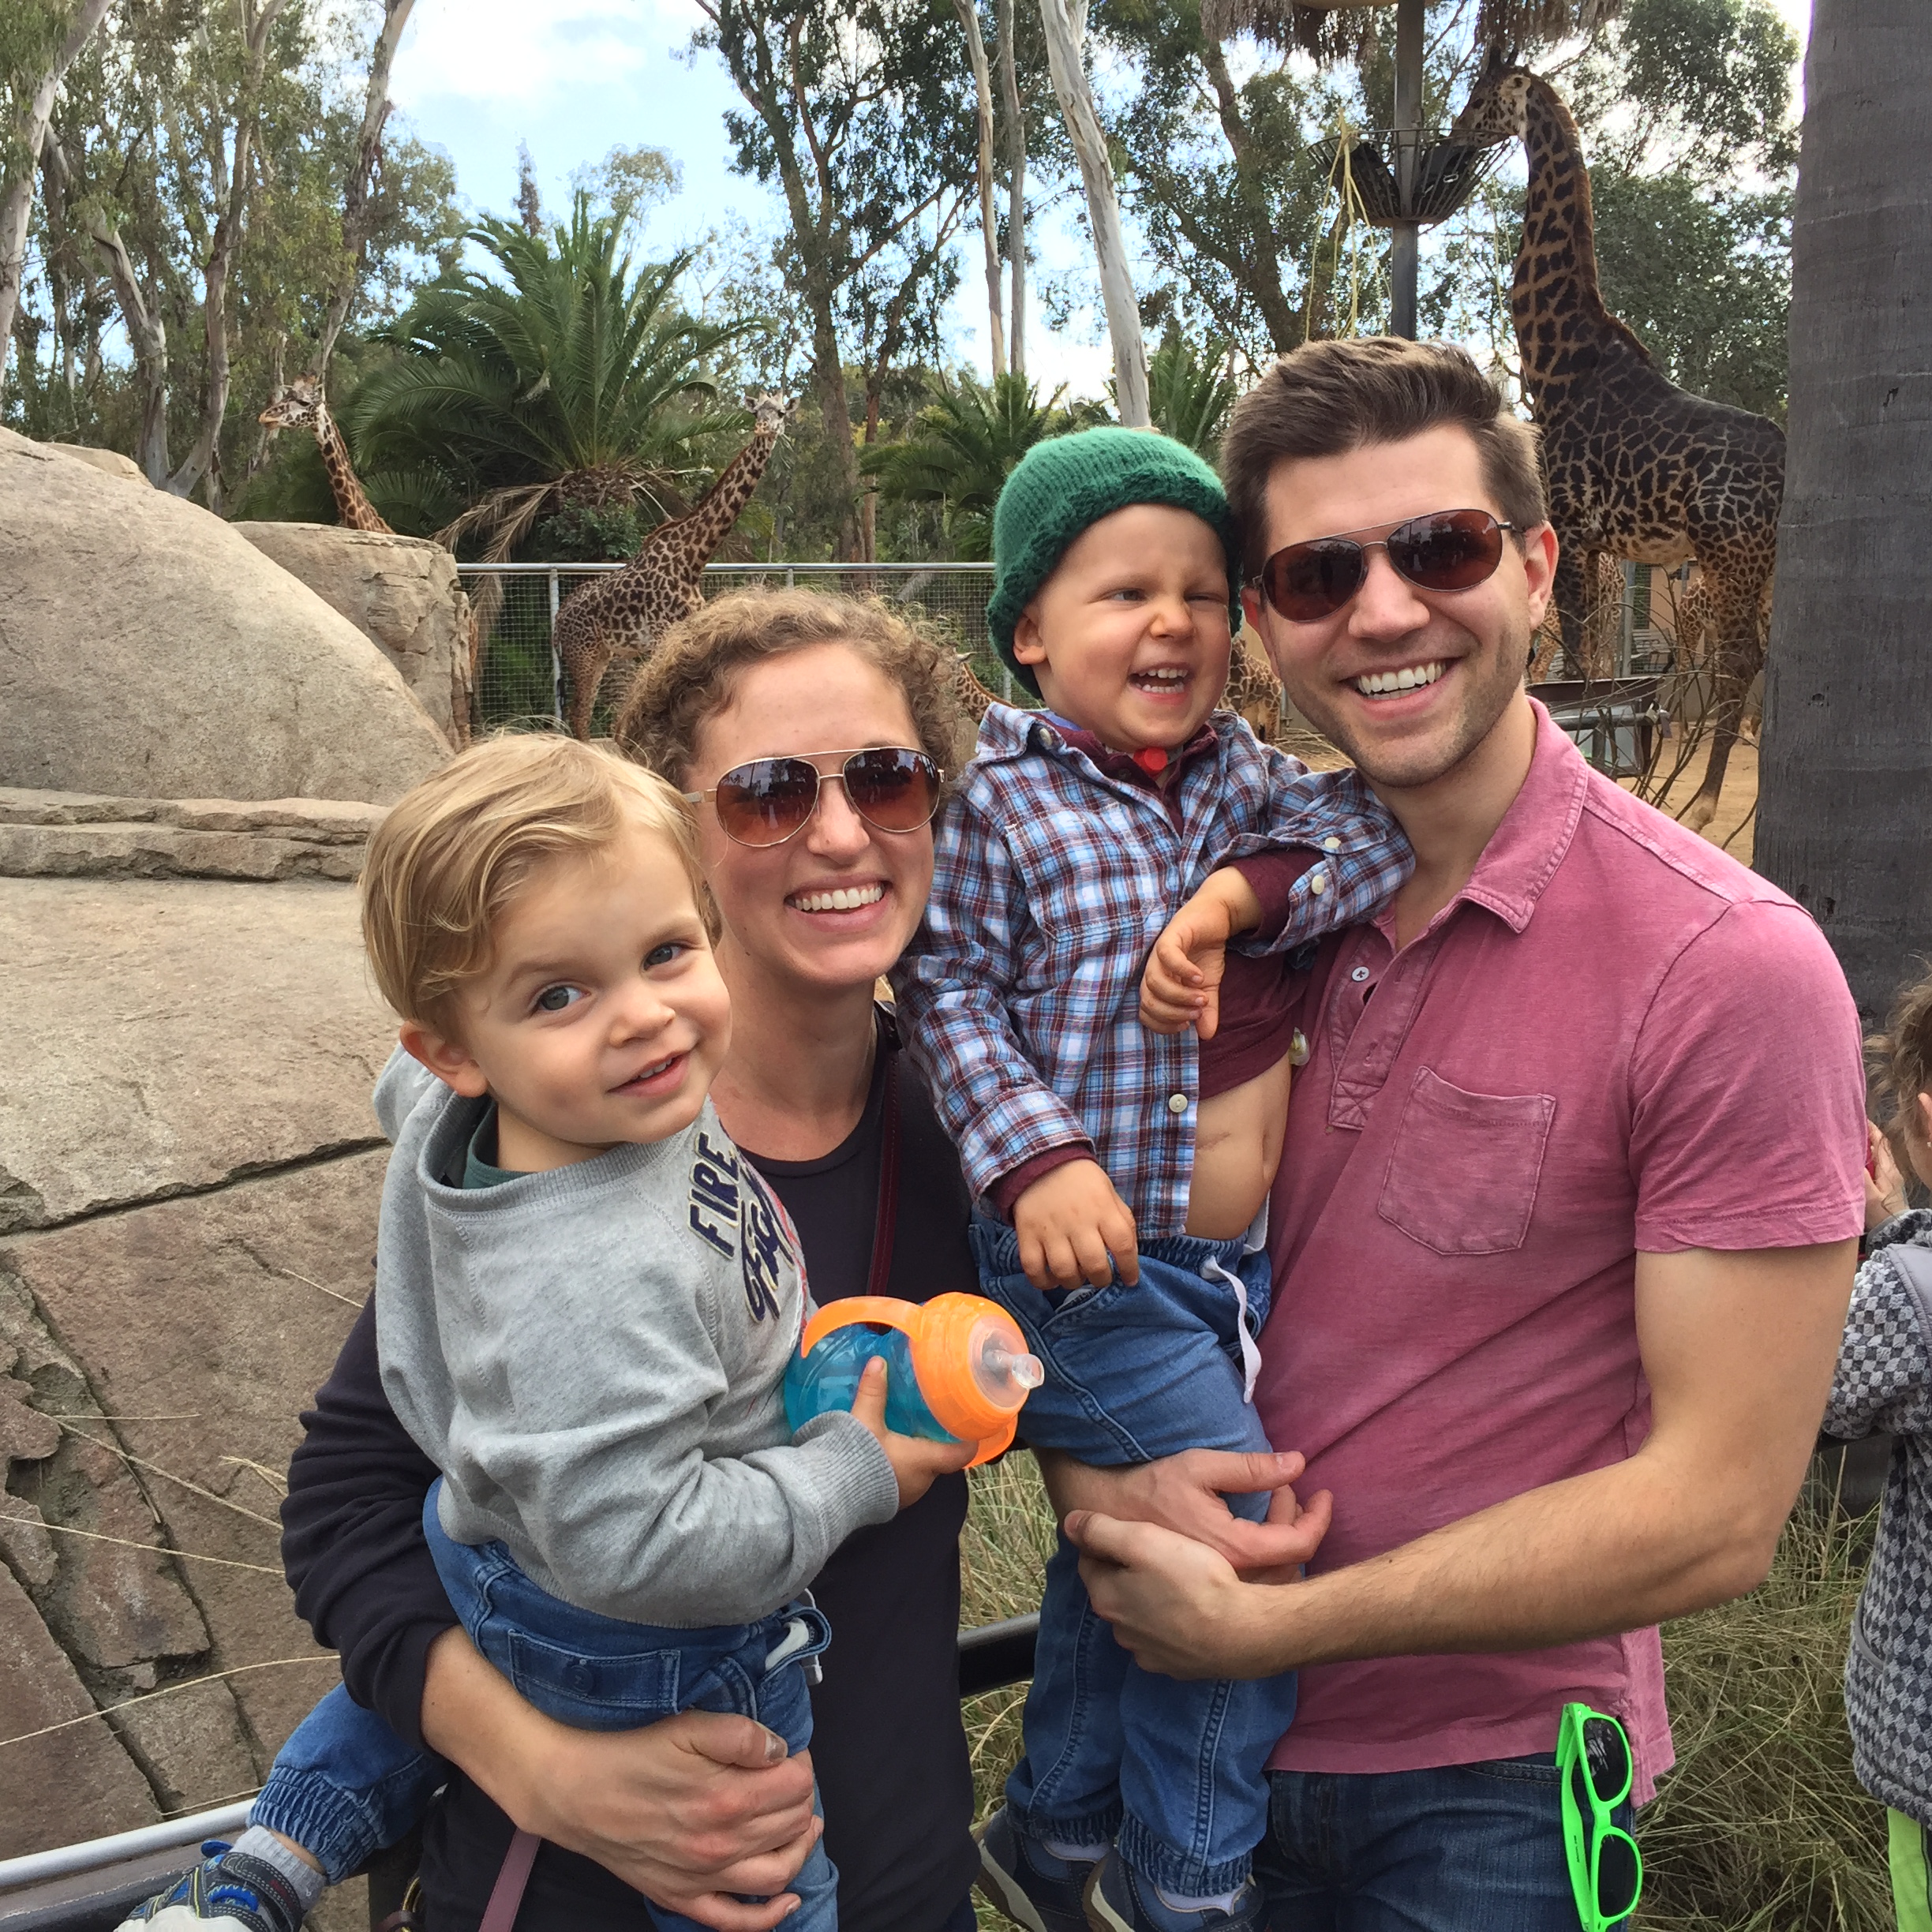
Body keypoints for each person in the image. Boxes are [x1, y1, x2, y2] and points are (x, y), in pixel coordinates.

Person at [1047, 336, 1868, 1929]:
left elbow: (1717, 1509)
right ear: (1262, 621)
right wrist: (1108, 1498)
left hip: (1487, 1791)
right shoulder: (1212, 913)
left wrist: (1276, 1630)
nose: (1383, 610)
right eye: (1316, 572)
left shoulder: (1726, 969)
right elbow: (1095, 1271)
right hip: (1183, 1749)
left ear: (1539, 569)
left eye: (1441, 547)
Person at [126, 733, 970, 1932]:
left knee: (482, 1613)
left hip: (488, 1533)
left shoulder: (503, 1107)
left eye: (665, 953)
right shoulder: (597, 1277)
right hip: (660, 1639)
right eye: (559, 994)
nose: (644, 1018)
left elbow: (405, 1090)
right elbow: (647, 1547)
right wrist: (850, 1471)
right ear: (456, 1048)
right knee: (768, 1870)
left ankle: (270, 1860)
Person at [893, 427, 1410, 1932]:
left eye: (1199, 592)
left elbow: (1368, 834)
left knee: (1119, 1549)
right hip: (1077, 1275)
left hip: (1222, 1277)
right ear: (1029, 630)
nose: (1171, 622)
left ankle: (1051, 1831)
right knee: (1237, 1554)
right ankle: (1181, 1878)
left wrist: (1236, 896)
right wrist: (1037, 1158)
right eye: (1124, 592)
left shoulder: (1247, 778)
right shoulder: (995, 797)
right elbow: (943, 992)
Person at [1820, 968, 1932, 1932]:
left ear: (1925, 1119)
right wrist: (1896, 1228)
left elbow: (1796, 1400)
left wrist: (1870, 1245)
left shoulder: (1902, 1298)